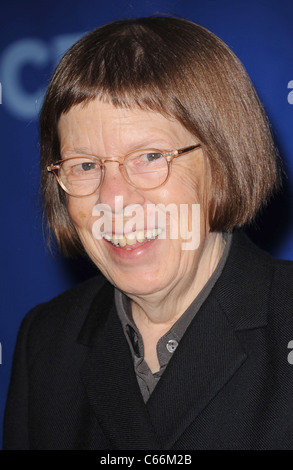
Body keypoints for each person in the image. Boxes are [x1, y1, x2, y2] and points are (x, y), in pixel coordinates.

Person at [3, 16, 293, 450]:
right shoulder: (46, 341)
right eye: (85, 165)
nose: (114, 199)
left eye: (150, 156)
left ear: (224, 161)